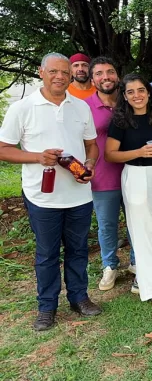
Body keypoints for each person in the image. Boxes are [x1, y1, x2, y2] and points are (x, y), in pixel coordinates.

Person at [0, 53, 101, 331]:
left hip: (79, 194)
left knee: (79, 249)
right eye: (53, 71)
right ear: (41, 73)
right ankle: (47, 307)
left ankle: (79, 298)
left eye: (65, 72)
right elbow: (3, 149)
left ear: (71, 76)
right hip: (42, 196)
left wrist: (90, 164)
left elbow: (92, 145)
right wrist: (37, 157)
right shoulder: (23, 108)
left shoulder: (80, 107)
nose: (60, 76)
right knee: (47, 254)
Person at [105, 74, 152, 310]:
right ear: (125, 97)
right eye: (130, 92)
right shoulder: (121, 121)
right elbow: (110, 154)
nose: (136, 95)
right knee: (143, 228)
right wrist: (137, 152)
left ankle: (142, 278)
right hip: (135, 175)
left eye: (141, 90)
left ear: (149, 92)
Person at [84, 56, 135, 291]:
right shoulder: (84, 106)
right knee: (107, 225)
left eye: (110, 72)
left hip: (135, 172)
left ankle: (137, 263)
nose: (106, 77)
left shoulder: (131, 101)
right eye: (100, 73)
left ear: (117, 75)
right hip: (103, 176)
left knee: (137, 221)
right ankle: (110, 266)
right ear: (92, 78)